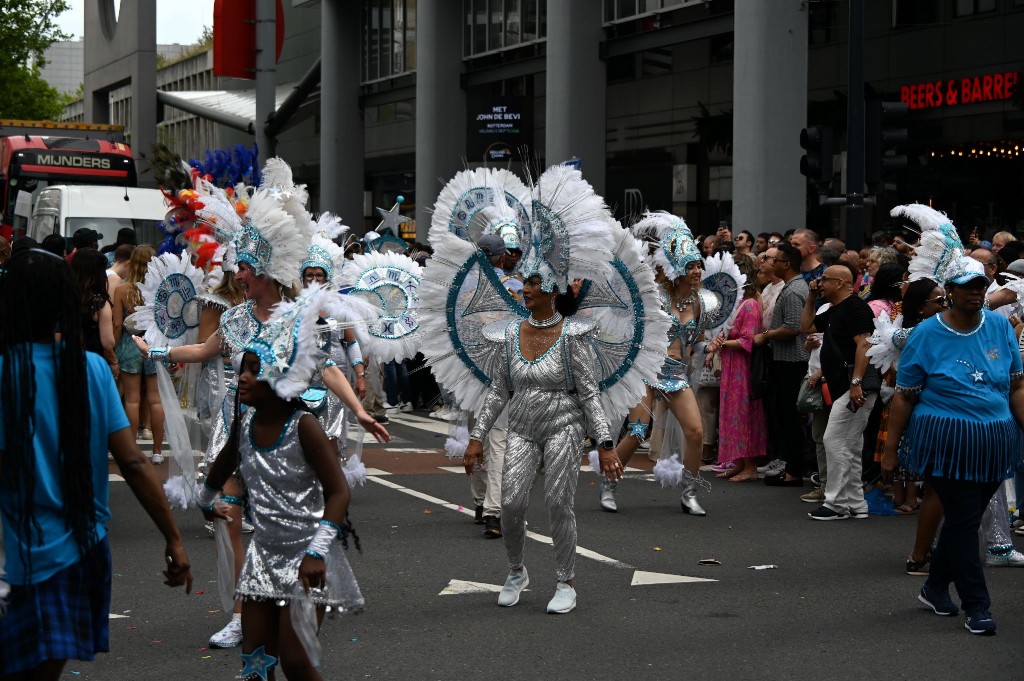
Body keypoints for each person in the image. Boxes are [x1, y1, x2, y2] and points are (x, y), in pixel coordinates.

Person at [0, 248, 192, 680]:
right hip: (80, 554)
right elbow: (135, 463)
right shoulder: (89, 370)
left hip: (14, 557)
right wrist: (173, 539)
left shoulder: (5, 373)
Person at [200, 291, 363, 680]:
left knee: (294, 662)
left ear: (279, 377)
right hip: (263, 558)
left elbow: (339, 490)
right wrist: (207, 501)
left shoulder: (304, 426)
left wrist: (317, 552)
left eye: (253, 370)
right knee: (255, 664)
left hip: (307, 556)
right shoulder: (246, 424)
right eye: (243, 368)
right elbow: (219, 467)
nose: (242, 377)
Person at [883, 208, 1024, 636]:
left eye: (981, 286)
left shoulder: (999, 328)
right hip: (944, 441)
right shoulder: (926, 333)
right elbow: (904, 398)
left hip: (994, 441)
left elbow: (1016, 386)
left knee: (965, 518)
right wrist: (890, 452)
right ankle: (977, 605)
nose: (975, 294)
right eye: (966, 287)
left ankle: (934, 586)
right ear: (949, 290)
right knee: (963, 518)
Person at [464, 276, 614, 614]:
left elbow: (589, 394)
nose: (526, 290)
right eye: (526, 284)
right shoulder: (511, 334)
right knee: (512, 503)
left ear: (554, 291)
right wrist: (477, 438)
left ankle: (566, 582)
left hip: (564, 425)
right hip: (521, 427)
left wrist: (605, 443)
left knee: (558, 501)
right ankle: (517, 572)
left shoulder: (572, 337)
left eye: (534, 284)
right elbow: (499, 390)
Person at [611, 214, 712, 516]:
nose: (696, 271)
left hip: (676, 375)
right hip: (647, 371)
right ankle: (609, 482)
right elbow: (632, 326)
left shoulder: (700, 302)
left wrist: (709, 346)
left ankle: (690, 492)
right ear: (676, 268)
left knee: (695, 432)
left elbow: (699, 339)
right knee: (639, 429)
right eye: (691, 266)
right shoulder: (655, 296)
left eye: (698, 265)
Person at [801, 265, 877, 519]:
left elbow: (864, 344)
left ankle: (836, 504)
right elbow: (806, 326)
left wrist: (856, 382)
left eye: (825, 280)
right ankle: (856, 504)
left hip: (856, 385)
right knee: (851, 445)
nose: (820, 283)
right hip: (847, 384)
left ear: (842, 283)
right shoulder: (835, 309)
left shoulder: (856, 307)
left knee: (834, 440)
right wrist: (811, 297)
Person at [755, 242, 809, 487]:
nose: (770, 263)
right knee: (783, 413)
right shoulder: (790, 287)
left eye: (775, 260)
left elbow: (795, 327)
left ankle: (794, 470)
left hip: (792, 361)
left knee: (790, 415)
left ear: (786, 264)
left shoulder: (794, 290)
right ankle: (789, 465)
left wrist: (766, 335)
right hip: (784, 359)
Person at [705, 255, 764, 481]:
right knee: (731, 413)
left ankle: (750, 466)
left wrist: (720, 344)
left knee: (743, 413)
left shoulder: (749, 305)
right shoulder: (736, 305)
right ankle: (739, 462)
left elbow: (748, 340)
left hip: (743, 367)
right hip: (731, 364)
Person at [112, 245, 165, 464]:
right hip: (154, 343)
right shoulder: (162, 290)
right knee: (155, 399)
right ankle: (157, 452)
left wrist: (112, 351)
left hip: (129, 345)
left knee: (132, 400)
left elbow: (116, 324)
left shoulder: (123, 291)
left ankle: (131, 450)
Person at [70, 248, 119, 377]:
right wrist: (114, 362)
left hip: (67, 360)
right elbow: (107, 342)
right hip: (93, 363)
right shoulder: (99, 302)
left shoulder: (65, 296)